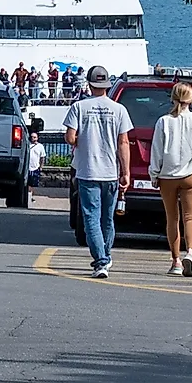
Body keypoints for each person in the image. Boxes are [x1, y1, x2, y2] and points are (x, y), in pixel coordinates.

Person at [63, 65, 131, 278]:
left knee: (91, 217)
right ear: (107, 85)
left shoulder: (79, 107)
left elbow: (70, 137)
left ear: (89, 84)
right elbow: (124, 142)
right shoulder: (118, 109)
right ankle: (106, 256)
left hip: (87, 171)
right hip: (110, 171)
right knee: (107, 218)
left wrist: (79, 141)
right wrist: (126, 171)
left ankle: (101, 261)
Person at [151, 81, 192, 277]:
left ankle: (176, 261)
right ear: (191, 99)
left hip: (168, 176)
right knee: (190, 217)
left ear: (173, 97)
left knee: (172, 218)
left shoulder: (164, 121)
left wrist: (154, 174)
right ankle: (191, 253)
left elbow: (157, 152)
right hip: (190, 174)